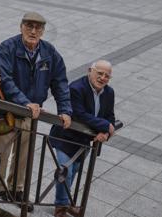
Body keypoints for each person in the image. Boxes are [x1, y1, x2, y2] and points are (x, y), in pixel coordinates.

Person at [0, 12, 72, 207]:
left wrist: (65, 110)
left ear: (43, 31)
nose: (33, 31)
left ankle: (17, 190)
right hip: (8, 109)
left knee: (24, 153)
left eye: (38, 28)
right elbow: (5, 79)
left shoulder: (49, 52)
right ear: (21, 27)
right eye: (29, 26)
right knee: (1, 150)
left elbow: (60, 82)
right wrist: (23, 101)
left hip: (32, 112)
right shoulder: (8, 47)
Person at [49, 60, 116, 217]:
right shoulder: (76, 88)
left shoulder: (109, 92)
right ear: (89, 71)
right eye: (100, 73)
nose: (103, 78)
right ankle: (60, 207)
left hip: (85, 141)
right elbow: (79, 114)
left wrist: (105, 133)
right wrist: (105, 125)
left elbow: (110, 116)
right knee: (65, 171)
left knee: (73, 171)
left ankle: (64, 202)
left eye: (107, 76)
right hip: (67, 137)